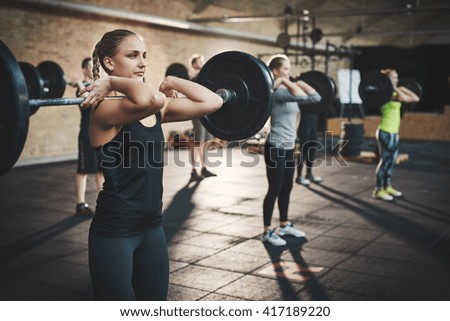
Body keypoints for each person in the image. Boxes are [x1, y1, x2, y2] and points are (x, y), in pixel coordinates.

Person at [79, 29, 223, 300]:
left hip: (152, 228)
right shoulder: (104, 110)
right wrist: (112, 83)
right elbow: (153, 98)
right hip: (115, 232)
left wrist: (172, 80)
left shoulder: (152, 110)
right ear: (109, 62)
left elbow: (213, 101)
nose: (143, 63)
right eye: (132, 56)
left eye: (144, 56)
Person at [262, 55, 321, 246]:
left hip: (288, 148)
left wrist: (301, 82)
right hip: (275, 147)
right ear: (276, 70)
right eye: (286, 69)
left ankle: (284, 224)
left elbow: (315, 97)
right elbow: (301, 95)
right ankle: (267, 231)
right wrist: (285, 81)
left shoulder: (288, 92)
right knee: (275, 189)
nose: (290, 71)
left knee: (287, 187)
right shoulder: (278, 93)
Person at [372, 68, 419, 201]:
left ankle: (387, 187)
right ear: (387, 80)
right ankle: (378, 190)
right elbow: (404, 98)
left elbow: (415, 97)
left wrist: (400, 86)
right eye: (393, 77)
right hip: (385, 132)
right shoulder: (385, 94)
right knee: (384, 162)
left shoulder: (394, 91)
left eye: (397, 77)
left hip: (394, 132)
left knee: (391, 162)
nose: (396, 80)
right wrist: (396, 87)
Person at [71, 57, 104, 216]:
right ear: (84, 69)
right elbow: (87, 101)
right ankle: (80, 204)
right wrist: (78, 84)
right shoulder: (81, 88)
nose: (93, 69)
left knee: (101, 171)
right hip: (86, 134)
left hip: (100, 133)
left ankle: (105, 204)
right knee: (83, 170)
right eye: (90, 67)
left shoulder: (98, 86)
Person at [188, 53, 217, 180]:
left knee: (205, 142)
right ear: (195, 64)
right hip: (197, 112)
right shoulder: (195, 77)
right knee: (197, 142)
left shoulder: (205, 77)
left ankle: (204, 168)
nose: (203, 62)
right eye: (200, 61)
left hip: (207, 113)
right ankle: (194, 171)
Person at [295, 108, 322, 186]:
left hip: (313, 125)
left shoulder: (316, 101)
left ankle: (309, 174)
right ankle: (299, 176)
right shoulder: (304, 99)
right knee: (304, 150)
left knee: (312, 149)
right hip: (304, 125)